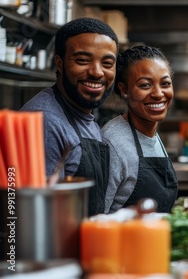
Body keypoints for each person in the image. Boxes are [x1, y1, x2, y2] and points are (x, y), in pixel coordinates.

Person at [20, 17, 118, 216]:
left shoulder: (84, 115)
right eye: (83, 60)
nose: (97, 72)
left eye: (107, 63)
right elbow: (34, 214)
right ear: (60, 63)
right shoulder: (44, 121)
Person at [101, 45, 178, 214]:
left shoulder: (152, 133)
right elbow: (98, 219)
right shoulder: (113, 143)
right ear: (124, 90)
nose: (158, 93)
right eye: (145, 85)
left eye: (165, 83)